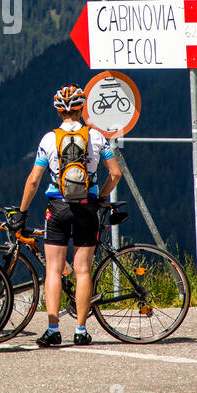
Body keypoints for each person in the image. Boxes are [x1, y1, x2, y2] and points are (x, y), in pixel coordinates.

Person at [16, 84, 121, 347]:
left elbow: (33, 181)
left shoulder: (49, 139)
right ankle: (81, 330)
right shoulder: (96, 137)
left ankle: (53, 330)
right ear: (81, 108)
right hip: (88, 207)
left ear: (58, 111)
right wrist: (101, 197)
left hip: (58, 208)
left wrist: (23, 211)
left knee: (53, 269)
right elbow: (116, 174)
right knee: (83, 270)